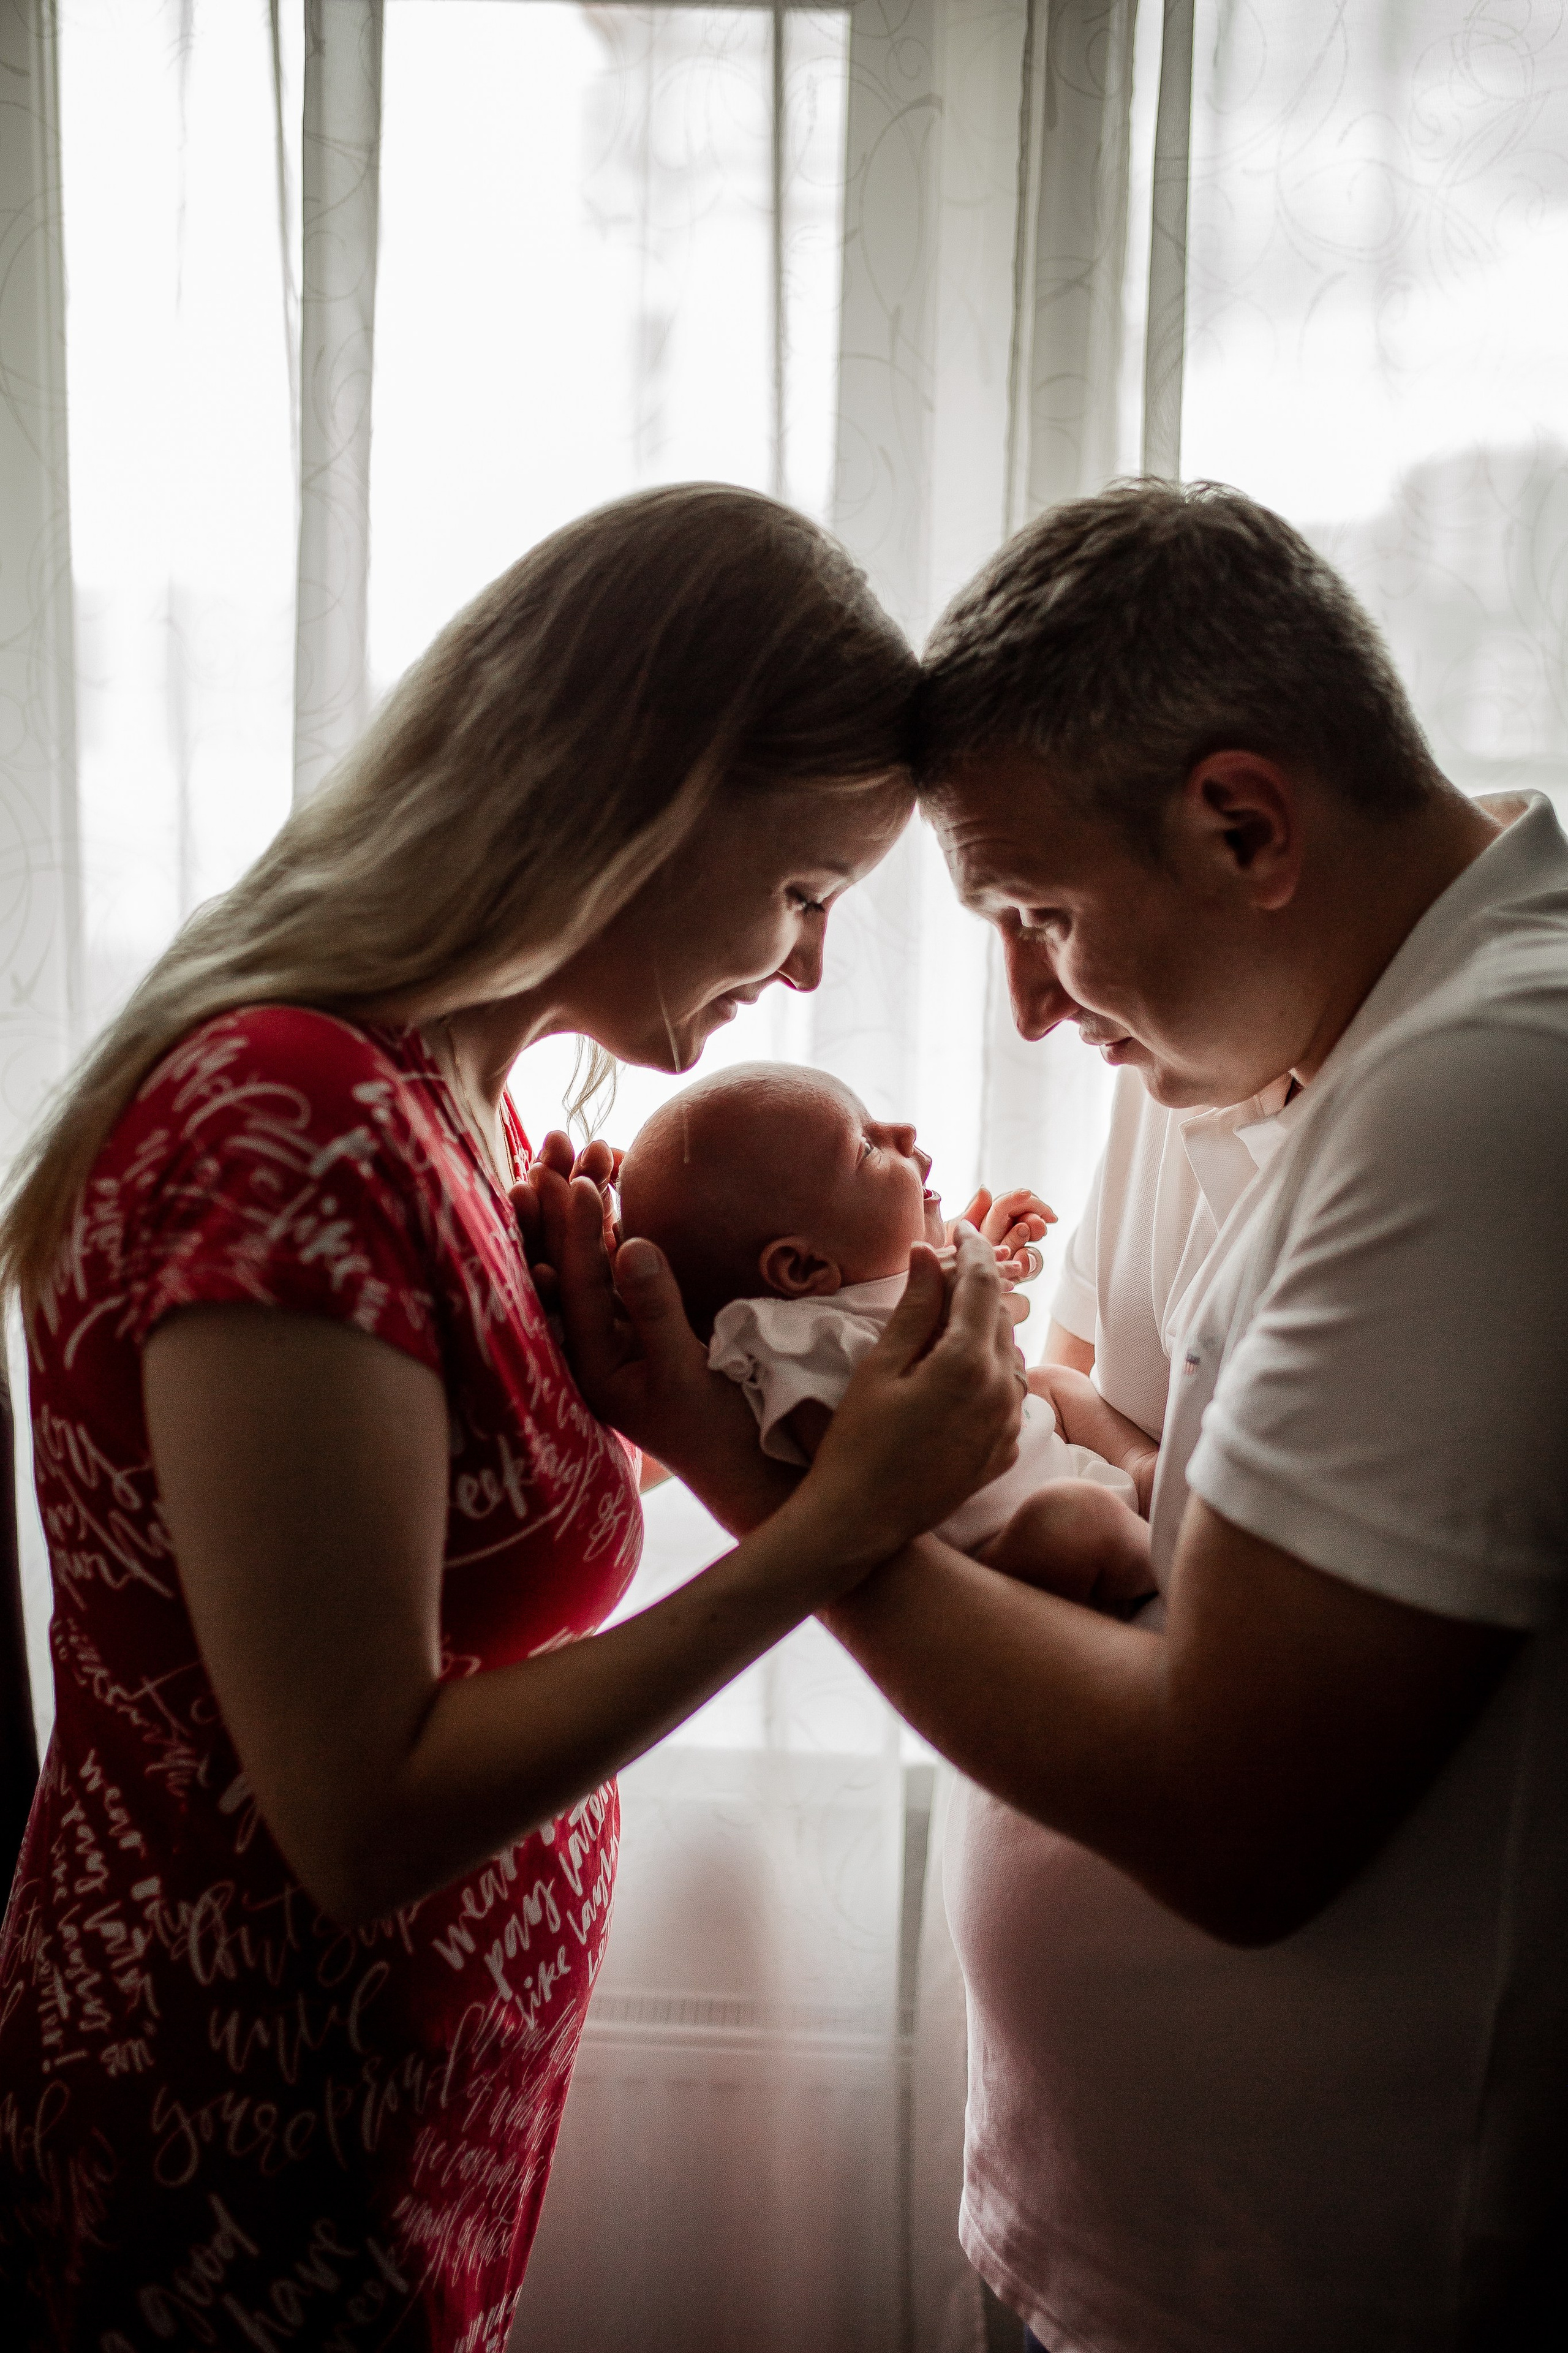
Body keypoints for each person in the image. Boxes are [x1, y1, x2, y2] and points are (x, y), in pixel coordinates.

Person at [538, 480, 1568, 2351]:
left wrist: (749, 1476)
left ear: (1240, 822)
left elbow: (1225, 1809)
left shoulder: (1492, 1092)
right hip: (1109, 2228)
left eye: (1037, 914)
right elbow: (1069, 1468)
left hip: (1335, 2283)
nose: (1024, 1008)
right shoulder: (1242, 1037)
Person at [0, 485, 1028, 2351]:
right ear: (649, 799)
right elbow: (364, 1810)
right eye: (804, 888)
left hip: (401, 2141)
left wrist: (662, 1408)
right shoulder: (288, 1114)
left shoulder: (460, 1110)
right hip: (245, 2157)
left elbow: (430, 1539)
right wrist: (822, 1531)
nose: (806, 963)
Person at [617, 1061, 1153, 1606]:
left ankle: (1140, 1467)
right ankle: (1166, 1559)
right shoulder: (796, 1342)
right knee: (1074, 1521)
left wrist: (975, 1264)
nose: (903, 1133)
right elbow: (862, 1463)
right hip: (1004, 1562)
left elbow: (905, 1301)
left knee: (1054, 1381)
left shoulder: (855, 1294)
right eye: (866, 1149)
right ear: (801, 1268)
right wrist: (968, 1318)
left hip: (1060, 1473)